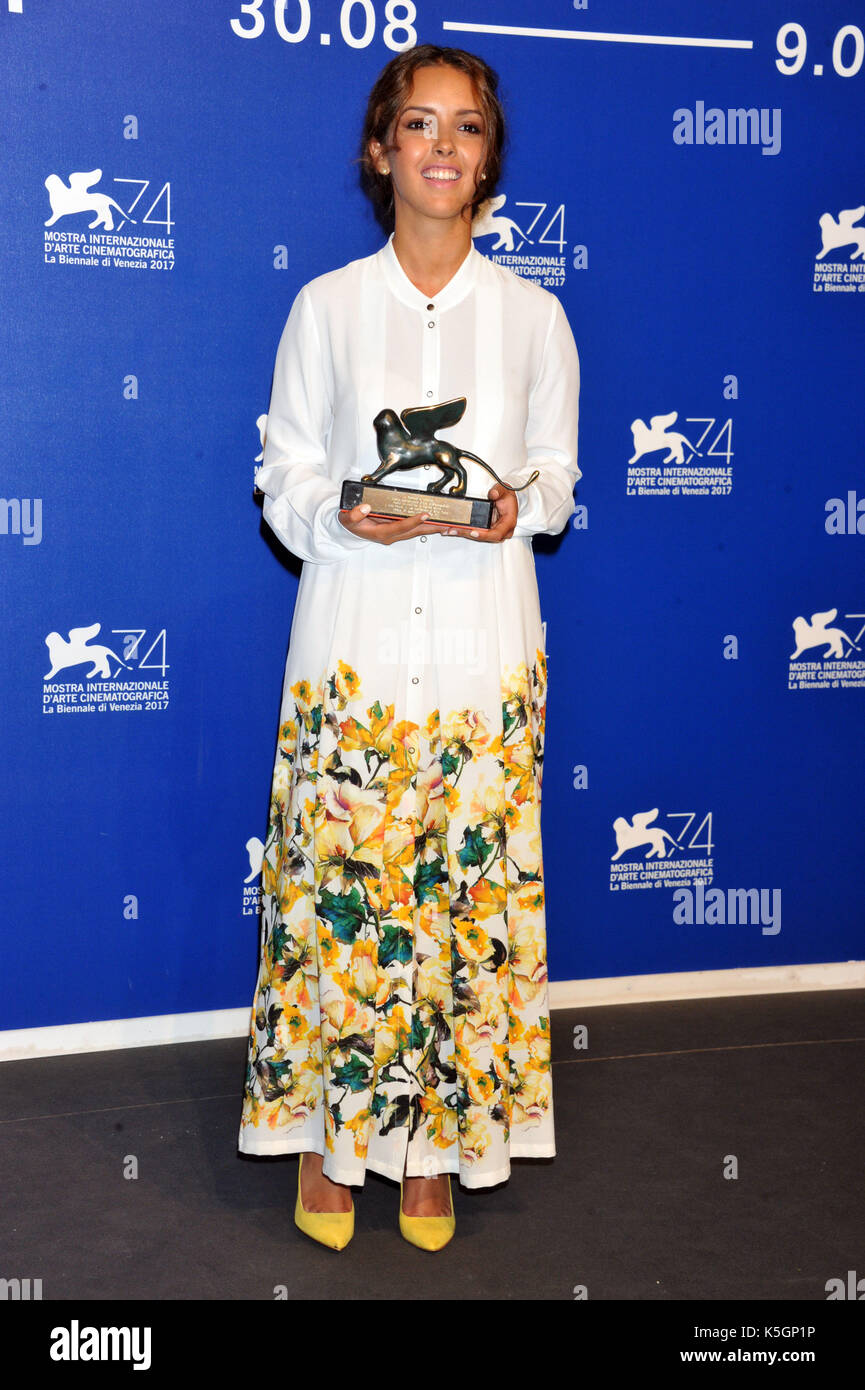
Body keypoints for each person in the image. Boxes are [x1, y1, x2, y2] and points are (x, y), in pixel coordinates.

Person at [238, 43, 580, 1252]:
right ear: (381, 150)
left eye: (468, 128)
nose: (443, 147)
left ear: (489, 159)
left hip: (485, 645)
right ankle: (332, 1143)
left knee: (463, 899)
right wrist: (339, 509)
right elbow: (281, 474)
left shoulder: (534, 316)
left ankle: (434, 1151)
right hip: (358, 646)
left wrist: (512, 505)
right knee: (348, 897)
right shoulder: (325, 308)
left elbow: (556, 474)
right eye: (419, 125)